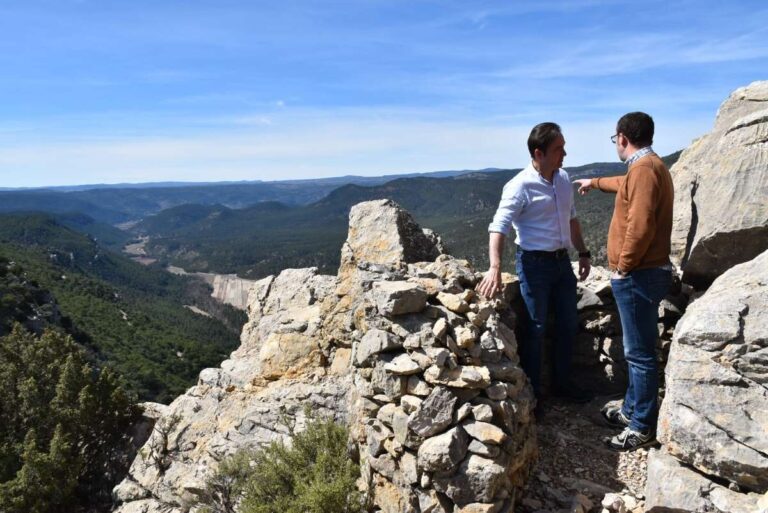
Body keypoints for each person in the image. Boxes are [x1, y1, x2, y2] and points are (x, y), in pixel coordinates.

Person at [574, 112, 673, 451]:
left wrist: (623, 267)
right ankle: (632, 411)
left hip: (639, 275)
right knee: (637, 352)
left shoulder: (644, 170)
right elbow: (625, 184)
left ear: (621, 138)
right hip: (645, 273)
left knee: (640, 353)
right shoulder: (647, 166)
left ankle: (642, 426)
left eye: (614, 139)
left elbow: (642, 226)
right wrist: (596, 182)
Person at [477, 122, 592, 405]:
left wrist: (584, 252)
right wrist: (494, 267)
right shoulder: (519, 186)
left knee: (567, 324)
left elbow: (572, 218)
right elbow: (498, 227)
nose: (564, 154)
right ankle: (533, 397)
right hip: (533, 265)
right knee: (537, 329)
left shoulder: (563, 178)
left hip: (562, 263)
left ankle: (562, 385)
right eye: (558, 149)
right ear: (539, 153)